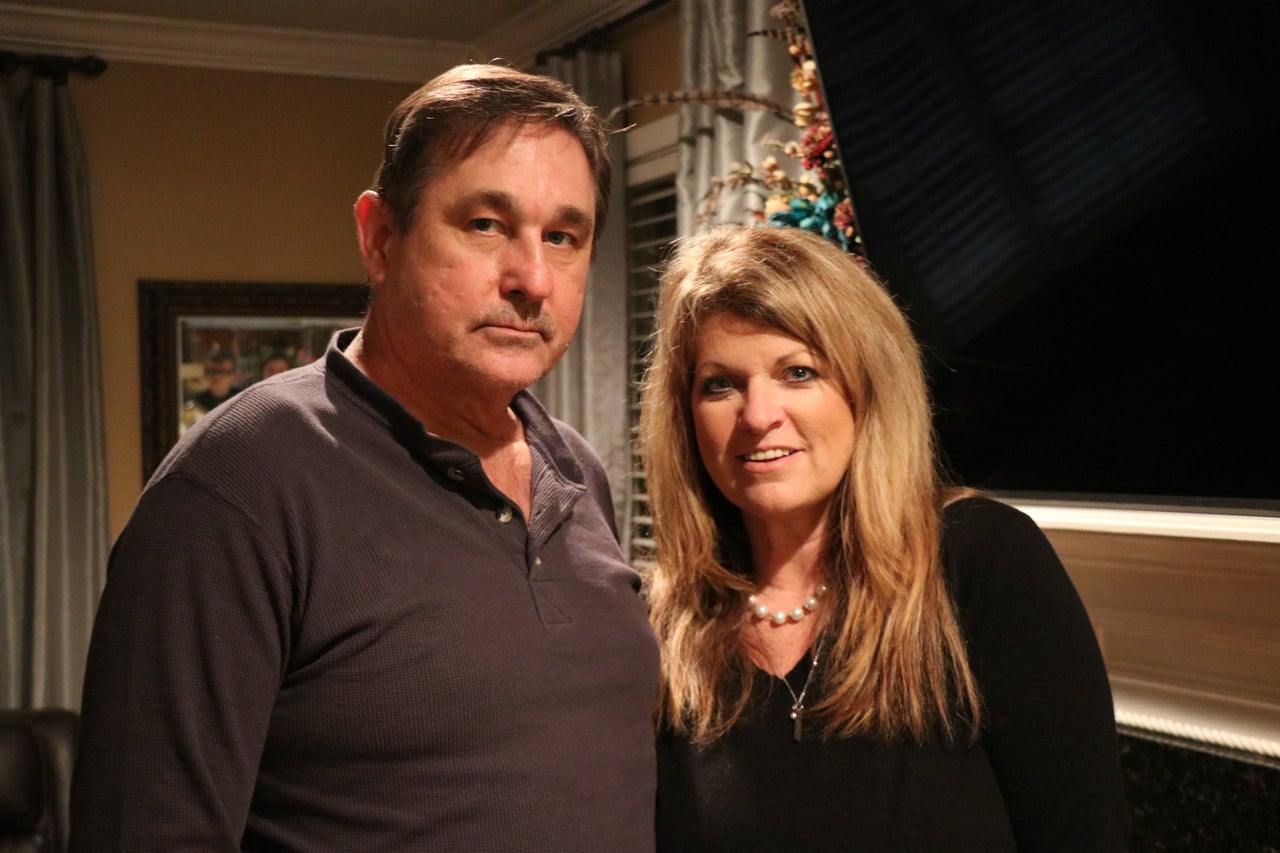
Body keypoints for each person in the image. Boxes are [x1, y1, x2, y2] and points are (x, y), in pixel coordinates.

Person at [71, 63, 660, 851]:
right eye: (486, 223)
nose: (533, 278)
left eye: (563, 236)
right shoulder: (238, 485)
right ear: (380, 238)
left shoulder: (576, 470)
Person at [639, 224, 1128, 851]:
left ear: (867, 390)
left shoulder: (982, 563)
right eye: (721, 384)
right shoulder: (663, 625)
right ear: (684, 417)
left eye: (797, 372)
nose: (758, 416)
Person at [189, 346, 243, 412]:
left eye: (223, 371)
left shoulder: (240, 399)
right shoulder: (197, 402)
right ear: (205, 374)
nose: (217, 376)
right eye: (212, 371)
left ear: (233, 375)